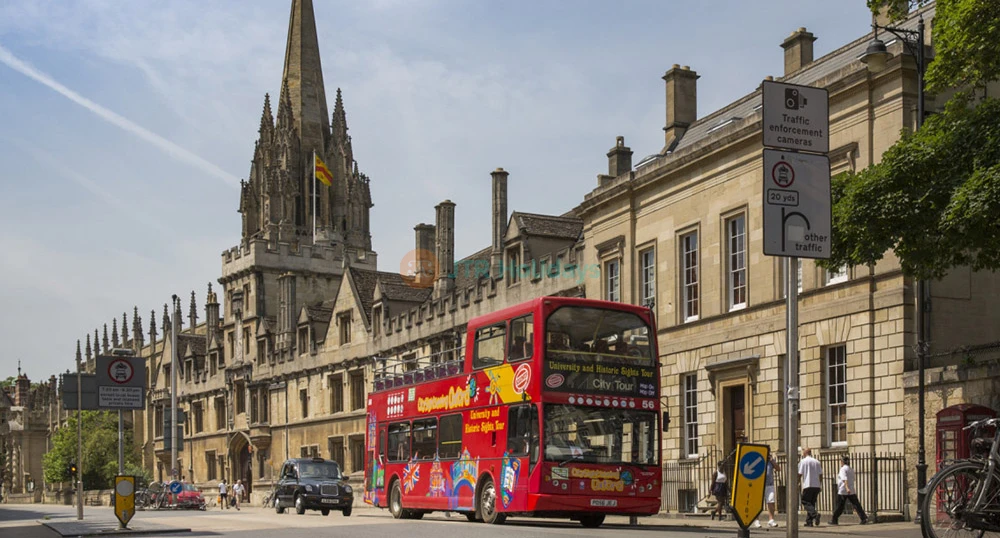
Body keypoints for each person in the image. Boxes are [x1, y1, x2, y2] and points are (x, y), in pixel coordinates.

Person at [831, 455, 868, 525]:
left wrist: (847, 488)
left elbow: (845, 479)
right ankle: (863, 518)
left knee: (839, 506)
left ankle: (834, 519)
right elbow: (853, 479)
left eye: (841, 461)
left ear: (842, 462)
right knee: (856, 505)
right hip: (851, 490)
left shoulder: (843, 469)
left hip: (843, 490)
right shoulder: (851, 469)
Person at [754, 453, 780, 528]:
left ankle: (771, 520)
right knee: (758, 503)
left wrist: (772, 461)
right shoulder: (758, 460)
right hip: (760, 484)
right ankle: (757, 520)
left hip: (770, 484)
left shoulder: (771, 461)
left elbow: (778, 469)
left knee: (771, 501)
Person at [798, 448, 823, 526]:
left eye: (803, 452)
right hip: (816, 485)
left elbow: (799, 474)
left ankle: (815, 515)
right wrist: (820, 484)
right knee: (812, 503)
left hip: (808, 484)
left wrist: (797, 482)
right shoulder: (817, 462)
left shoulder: (803, 461)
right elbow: (820, 474)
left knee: (805, 501)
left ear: (805, 453)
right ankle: (809, 522)